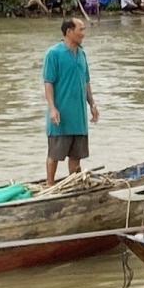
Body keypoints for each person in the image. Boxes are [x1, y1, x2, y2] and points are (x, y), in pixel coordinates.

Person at [43, 18, 99, 186]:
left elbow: (86, 82)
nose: (83, 34)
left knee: (76, 157)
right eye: (80, 30)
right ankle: (50, 185)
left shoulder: (81, 53)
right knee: (55, 154)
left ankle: (73, 185)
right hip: (61, 115)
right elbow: (48, 83)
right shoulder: (54, 53)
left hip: (79, 117)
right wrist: (52, 108)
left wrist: (92, 104)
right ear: (69, 32)